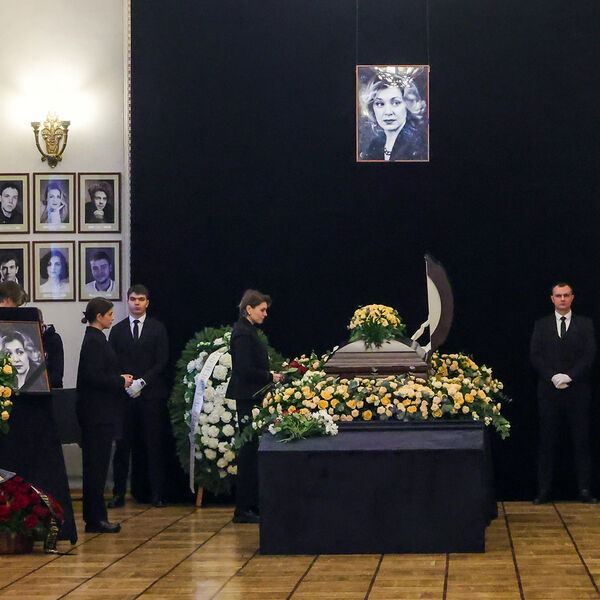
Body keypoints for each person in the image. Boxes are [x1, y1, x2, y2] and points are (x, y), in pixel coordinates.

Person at [530, 282, 597, 504]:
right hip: (549, 392)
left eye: (566, 295)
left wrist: (570, 376)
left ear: (572, 297)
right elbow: (535, 355)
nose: (562, 299)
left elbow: (589, 355)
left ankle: (585, 489)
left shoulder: (585, 324)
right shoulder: (541, 325)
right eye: (558, 295)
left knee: (581, 441)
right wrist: (552, 376)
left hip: (578, 392)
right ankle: (544, 490)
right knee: (547, 442)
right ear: (552, 298)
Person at [108, 284, 170, 508]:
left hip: (151, 395)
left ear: (147, 303)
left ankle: (157, 494)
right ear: (127, 301)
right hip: (124, 397)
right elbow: (111, 362)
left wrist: (142, 382)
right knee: (122, 446)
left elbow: (162, 360)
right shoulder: (117, 330)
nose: (137, 303)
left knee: (153, 445)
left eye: (141, 299)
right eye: (133, 299)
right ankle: (118, 494)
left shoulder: (157, 328)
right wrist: (125, 383)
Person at [76, 297, 133, 533]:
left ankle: (97, 517)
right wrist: (120, 380)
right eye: (109, 314)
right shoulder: (94, 341)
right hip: (96, 415)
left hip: (100, 413)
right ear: (99, 317)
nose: (112, 318)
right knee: (96, 469)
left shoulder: (97, 339)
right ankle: (95, 518)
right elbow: (94, 377)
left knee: (98, 467)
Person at [226, 289, 282, 523]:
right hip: (248, 398)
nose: (265, 314)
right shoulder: (242, 333)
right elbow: (244, 369)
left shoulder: (248, 330)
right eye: (262, 310)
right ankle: (243, 508)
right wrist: (269, 376)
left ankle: (250, 504)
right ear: (248, 309)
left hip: (252, 396)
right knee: (248, 453)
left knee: (251, 451)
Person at [360, 75, 428, 161]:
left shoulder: (419, 145)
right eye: (380, 104)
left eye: (396, 103)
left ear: (408, 105)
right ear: (372, 108)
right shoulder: (375, 144)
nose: (388, 112)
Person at [38, 309, 64, 388]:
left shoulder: (54, 339)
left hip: (51, 388)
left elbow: (57, 371)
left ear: (42, 323)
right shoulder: (26, 339)